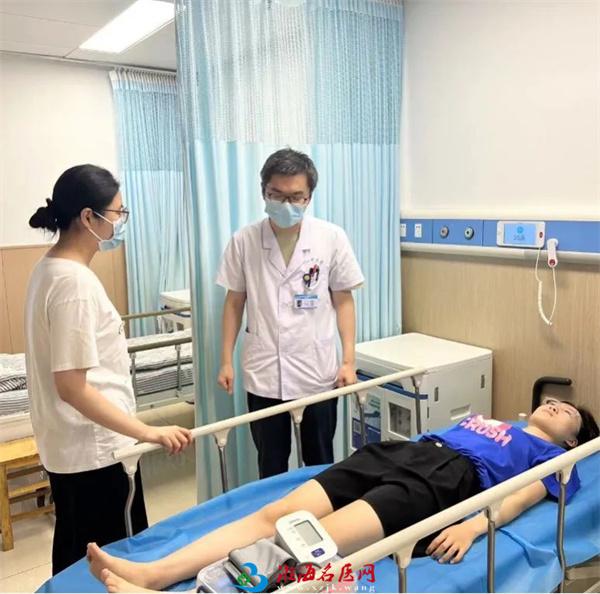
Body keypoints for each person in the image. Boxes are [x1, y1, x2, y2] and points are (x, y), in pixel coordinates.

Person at [86, 398, 598, 593]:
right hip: (404, 452)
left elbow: (523, 497)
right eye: (553, 401)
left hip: (446, 479)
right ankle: (155, 573)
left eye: (568, 411)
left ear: (573, 442)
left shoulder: (554, 460)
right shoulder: (491, 420)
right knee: (278, 513)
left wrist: (471, 526)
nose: (556, 405)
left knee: (310, 541)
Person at [25, 164, 194, 574]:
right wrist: (146, 431)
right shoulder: (74, 284)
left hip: (70, 449)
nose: (120, 222)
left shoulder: (47, 269)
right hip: (96, 453)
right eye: (118, 212)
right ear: (89, 217)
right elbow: (71, 386)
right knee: (114, 562)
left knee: (74, 554)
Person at [216, 149, 364, 478]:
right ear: (264, 193)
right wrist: (226, 360)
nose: (286, 204)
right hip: (265, 373)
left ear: (309, 197)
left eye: (296, 197)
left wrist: (348, 361)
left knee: (320, 462)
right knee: (271, 464)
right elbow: (234, 302)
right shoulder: (244, 240)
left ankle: (320, 510)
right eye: (277, 195)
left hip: (317, 370)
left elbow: (343, 300)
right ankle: (275, 512)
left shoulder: (330, 237)